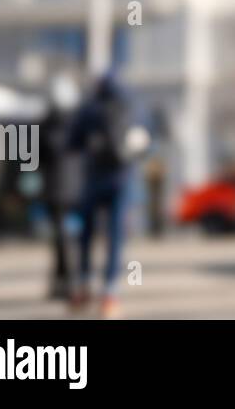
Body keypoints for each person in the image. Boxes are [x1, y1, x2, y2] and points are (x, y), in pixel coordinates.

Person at [67, 68, 148, 318]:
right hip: (122, 180)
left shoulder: (89, 109)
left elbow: (72, 143)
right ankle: (110, 293)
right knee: (115, 236)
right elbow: (146, 143)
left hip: (94, 180)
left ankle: (83, 284)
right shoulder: (132, 108)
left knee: (86, 235)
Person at [38, 72, 83, 300]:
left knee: (62, 238)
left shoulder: (47, 124)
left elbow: (37, 156)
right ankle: (64, 281)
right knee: (65, 238)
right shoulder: (77, 121)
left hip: (59, 189)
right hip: (72, 187)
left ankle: (67, 282)